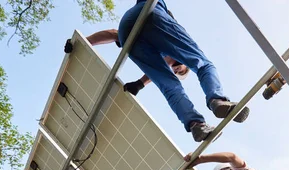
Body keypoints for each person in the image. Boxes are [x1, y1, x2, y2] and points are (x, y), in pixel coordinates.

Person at [71, 0, 249, 142]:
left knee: (169, 86)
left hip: (128, 28)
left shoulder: (164, 57)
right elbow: (173, 63)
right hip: (153, 12)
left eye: (175, 70)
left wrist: (80, 42)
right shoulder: (174, 46)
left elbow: (112, 33)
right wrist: (141, 83)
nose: (176, 68)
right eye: (180, 69)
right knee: (203, 64)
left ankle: (196, 124)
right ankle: (216, 99)